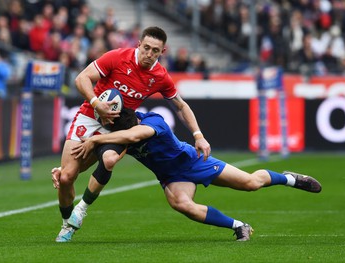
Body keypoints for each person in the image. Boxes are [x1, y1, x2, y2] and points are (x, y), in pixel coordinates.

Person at [64, 108, 322, 242]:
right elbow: (108, 158)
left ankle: (290, 179)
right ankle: (239, 226)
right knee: (181, 204)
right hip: (171, 177)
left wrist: (98, 139)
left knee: (250, 183)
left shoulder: (153, 121)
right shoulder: (120, 136)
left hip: (193, 162)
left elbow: (133, 136)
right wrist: (67, 170)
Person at [52, 26, 211, 242]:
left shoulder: (160, 76)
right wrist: (97, 103)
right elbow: (82, 79)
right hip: (90, 116)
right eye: (146, 48)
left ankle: (81, 210)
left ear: (162, 52)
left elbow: (181, 106)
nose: (149, 53)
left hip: (118, 127)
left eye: (155, 50)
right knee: (67, 177)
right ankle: (65, 220)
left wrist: (198, 134)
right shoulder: (117, 57)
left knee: (108, 160)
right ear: (138, 45)